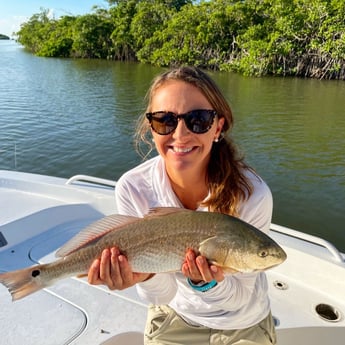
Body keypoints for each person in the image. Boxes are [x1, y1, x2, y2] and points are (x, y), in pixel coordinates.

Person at [88, 66, 276, 345]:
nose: (181, 134)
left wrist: (206, 283)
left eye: (198, 119)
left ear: (218, 127)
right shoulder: (133, 188)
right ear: (150, 128)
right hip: (173, 317)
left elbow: (240, 296)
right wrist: (146, 276)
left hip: (243, 324)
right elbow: (161, 295)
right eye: (165, 121)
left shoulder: (252, 194)